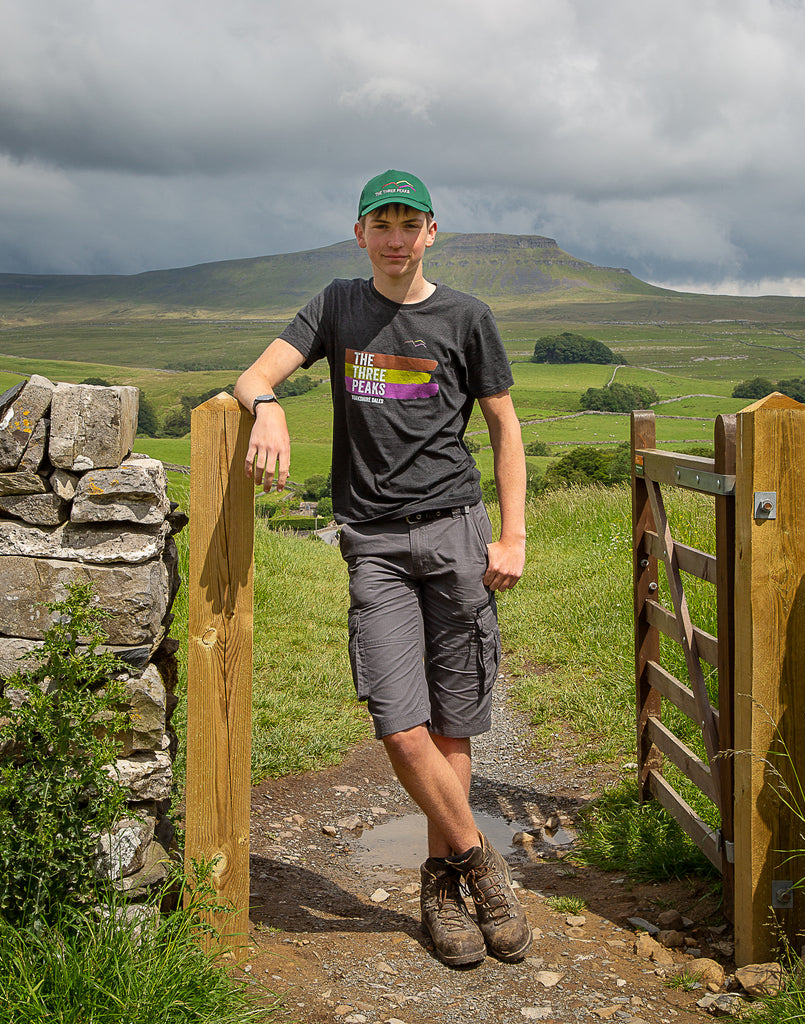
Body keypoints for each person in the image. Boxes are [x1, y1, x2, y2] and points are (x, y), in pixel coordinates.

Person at [235, 170, 530, 967]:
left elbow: (504, 428)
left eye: (410, 223)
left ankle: (440, 889)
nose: (396, 238)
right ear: (358, 233)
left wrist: (513, 536)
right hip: (373, 544)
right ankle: (483, 869)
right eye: (382, 223)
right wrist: (266, 407)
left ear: (432, 232)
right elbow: (256, 375)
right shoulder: (337, 304)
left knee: (453, 723)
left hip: (457, 534)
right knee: (400, 726)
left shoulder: (467, 317)